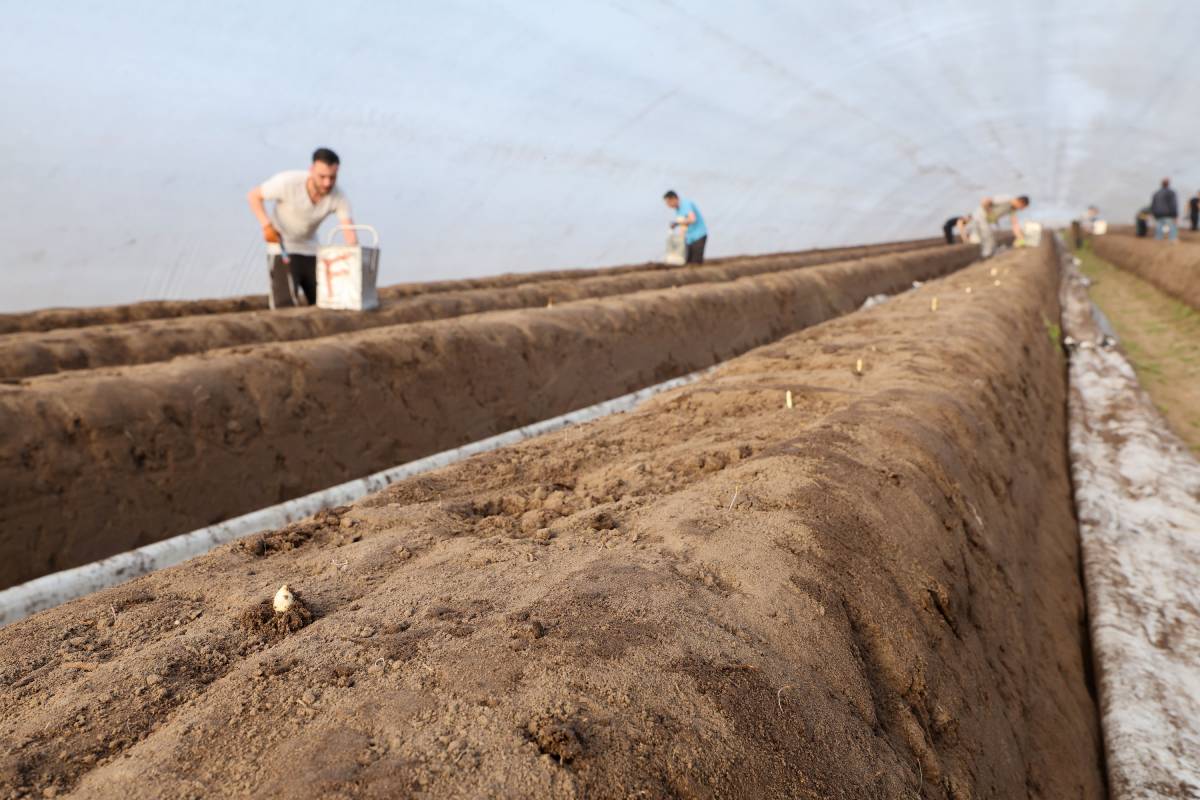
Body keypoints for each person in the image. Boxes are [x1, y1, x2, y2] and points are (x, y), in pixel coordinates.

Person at [247, 148, 357, 308]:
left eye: (332, 177)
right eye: (322, 177)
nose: (327, 183)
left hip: (311, 249)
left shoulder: (338, 196)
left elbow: (349, 233)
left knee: (324, 300)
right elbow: (254, 196)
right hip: (282, 247)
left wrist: (353, 262)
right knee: (285, 303)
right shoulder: (288, 182)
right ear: (311, 170)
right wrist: (266, 226)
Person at [966, 195, 1030, 258]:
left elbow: (1014, 224)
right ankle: (986, 255)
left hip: (986, 220)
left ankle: (985, 255)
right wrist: (989, 212)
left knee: (981, 238)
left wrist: (1020, 237)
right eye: (1022, 207)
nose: (1021, 209)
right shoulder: (1006, 199)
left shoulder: (1013, 209)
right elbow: (985, 201)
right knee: (987, 236)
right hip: (980, 216)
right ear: (1021, 202)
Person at [663, 191, 708, 264]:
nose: (668, 205)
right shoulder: (678, 210)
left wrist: (677, 223)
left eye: (668, 202)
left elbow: (692, 219)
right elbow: (684, 226)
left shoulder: (685, 204)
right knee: (687, 262)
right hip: (689, 238)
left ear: (674, 198)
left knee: (695, 263)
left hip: (698, 236)